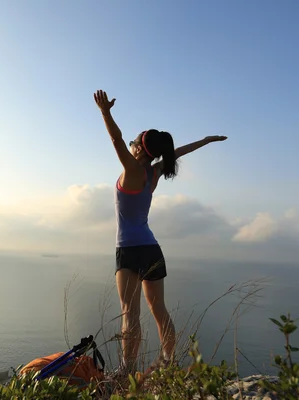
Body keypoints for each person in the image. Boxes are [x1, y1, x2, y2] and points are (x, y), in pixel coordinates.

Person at [93, 89, 227, 376]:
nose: (128, 145)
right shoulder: (153, 173)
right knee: (159, 311)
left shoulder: (132, 170)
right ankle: (168, 361)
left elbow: (115, 139)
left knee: (130, 314)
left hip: (128, 250)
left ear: (140, 150)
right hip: (152, 249)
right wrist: (207, 140)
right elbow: (179, 151)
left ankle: (127, 370)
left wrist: (105, 112)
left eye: (133, 143)